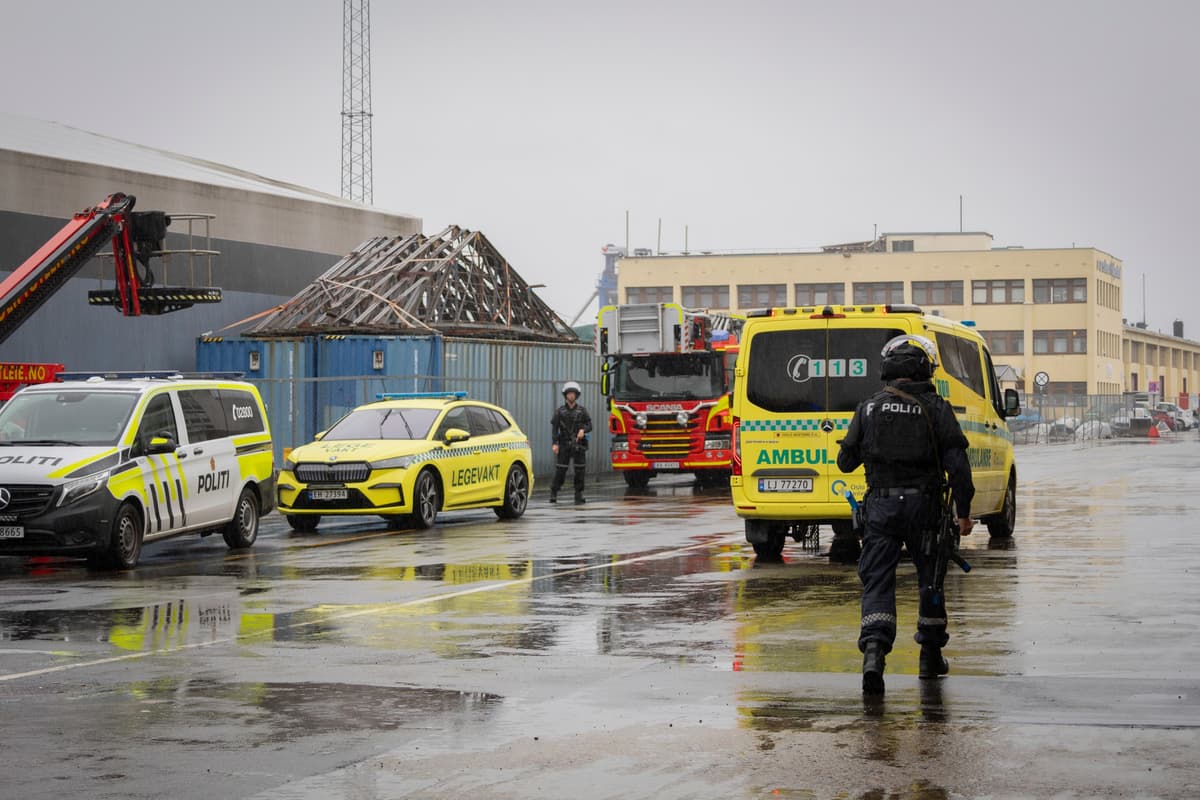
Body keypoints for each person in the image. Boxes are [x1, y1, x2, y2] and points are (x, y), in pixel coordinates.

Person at [836, 334, 975, 695]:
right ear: (924, 370)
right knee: (930, 579)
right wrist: (964, 512)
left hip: (880, 508)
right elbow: (958, 464)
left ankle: (873, 654)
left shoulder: (867, 408)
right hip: (926, 509)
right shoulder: (937, 408)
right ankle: (929, 658)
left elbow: (845, 461)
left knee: (878, 581)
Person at [550, 380, 592, 504]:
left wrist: (583, 430)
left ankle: (579, 494)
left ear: (577, 395)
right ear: (565, 395)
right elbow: (554, 428)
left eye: (573, 393)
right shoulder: (559, 411)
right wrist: (554, 443)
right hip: (564, 444)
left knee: (580, 471)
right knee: (561, 470)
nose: (571, 396)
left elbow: (590, 425)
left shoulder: (582, 411)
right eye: (569, 394)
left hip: (579, 445)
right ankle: (554, 492)